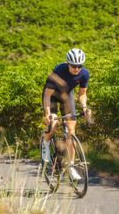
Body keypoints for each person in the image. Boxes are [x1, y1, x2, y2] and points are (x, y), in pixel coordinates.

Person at [41, 48, 91, 180]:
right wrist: (48, 114)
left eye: (79, 66)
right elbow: (47, 95)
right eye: (74, 66)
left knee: (71, 131)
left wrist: (84, 107)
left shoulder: (84, 74)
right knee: (53, 123)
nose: (76, 69)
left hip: (66, 96)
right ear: (68, 63)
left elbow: (82, 94)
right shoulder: (58, 72)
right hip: (51, 96)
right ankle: (45, 144)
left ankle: (71, 166)